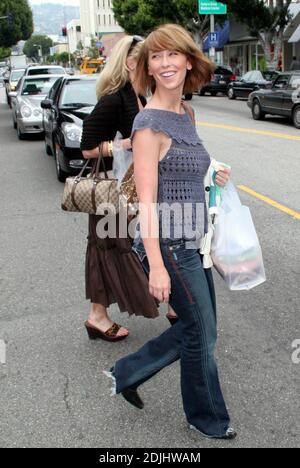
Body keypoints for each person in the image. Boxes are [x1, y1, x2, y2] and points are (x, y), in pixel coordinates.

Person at [104, 24, 237, 440]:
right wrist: (157, 267)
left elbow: (187, 171)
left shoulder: (187, 113)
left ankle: (126, 372)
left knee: (201, 329)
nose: (165, 64)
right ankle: (207, 418)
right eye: (156, 57)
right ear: (147, 67)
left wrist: (214, 173)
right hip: (170, 246)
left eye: (172, 55)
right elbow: (147, 201)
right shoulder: (148, 125)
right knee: (201, 333)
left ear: (189, 60)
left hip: (195, 243)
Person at [80, 35, 160, 342]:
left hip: (134, 187)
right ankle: (97, 317)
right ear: (128, 62)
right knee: (108, 250)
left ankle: (171, 303)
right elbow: (87, 148)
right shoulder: (115, 97)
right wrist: (124, 143)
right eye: (146, 59)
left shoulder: (141, 93)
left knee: (126, 247)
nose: (152, 65)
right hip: (112, 192)